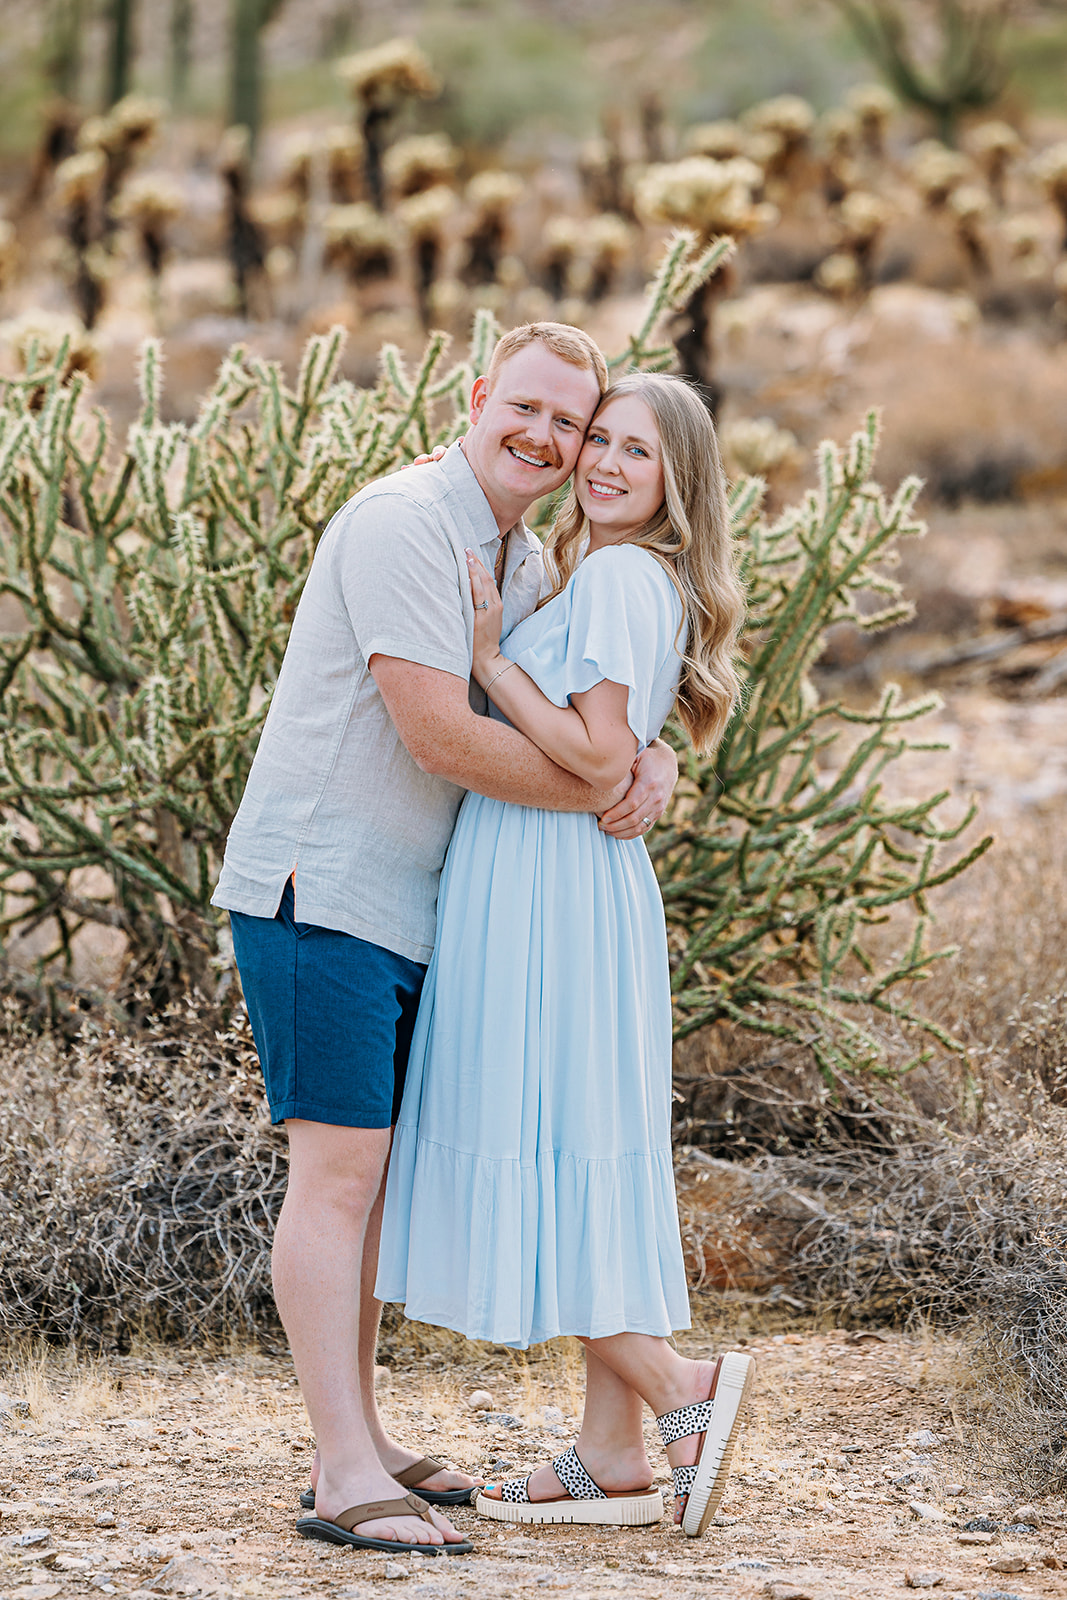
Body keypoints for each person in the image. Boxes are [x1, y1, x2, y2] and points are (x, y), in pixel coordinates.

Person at [211, 324, 680, 1557]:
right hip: (326, 887)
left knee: (370, 1190)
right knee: (339, 1178)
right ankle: (341, 1471)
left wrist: (651, 760)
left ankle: (357, 1435)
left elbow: (576, 706)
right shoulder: (406, 521)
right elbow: (438, 734)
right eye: (525, 407)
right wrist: (602, 782)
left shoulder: (520, 560)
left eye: (569, 424)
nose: (546, 436)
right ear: (477, 398)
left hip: (415, 908)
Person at [376, 371, 754, 1539]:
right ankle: (609, 1454)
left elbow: (594, 758)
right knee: (583, 1150)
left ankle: (678, 1393)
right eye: (598, 438)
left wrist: (490, 668)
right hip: (555, 882)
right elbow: (623, 745)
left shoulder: (622, 580)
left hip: (545, 887)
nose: (599, 461)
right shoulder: (603, 576)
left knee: (544, 1142)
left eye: (635, 452)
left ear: (674, 482)